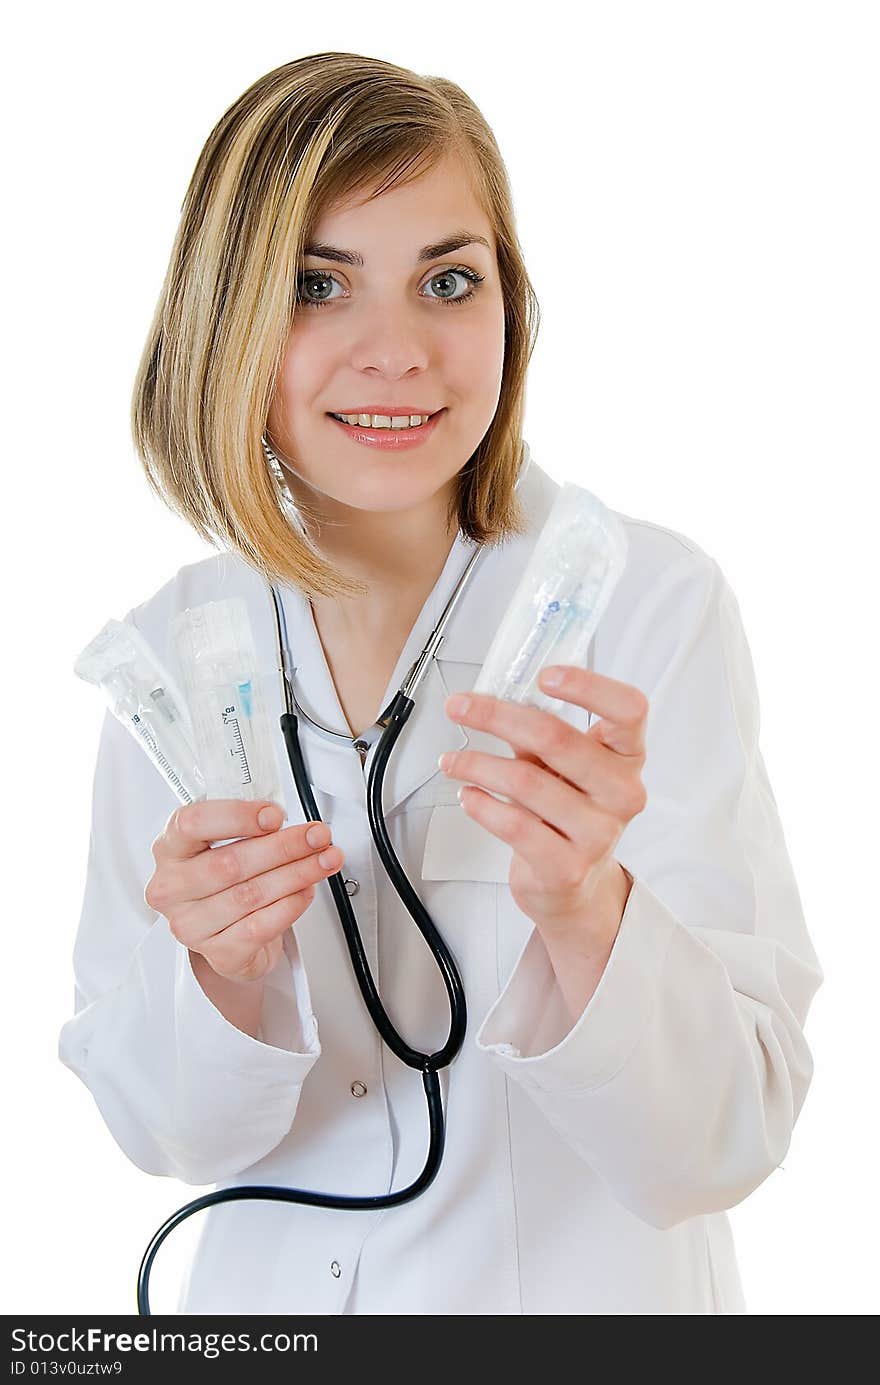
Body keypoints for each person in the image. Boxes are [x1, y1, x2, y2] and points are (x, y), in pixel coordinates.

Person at [58, 52, 823, 1316]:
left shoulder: (646, 608)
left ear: (508, 308)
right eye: (318, 286)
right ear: (223, 314)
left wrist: (586, 907)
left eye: (448, 281)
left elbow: (722, 1143)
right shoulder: (174, 652)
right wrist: (219, 968)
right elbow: (164, 1135)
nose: (398, 352)